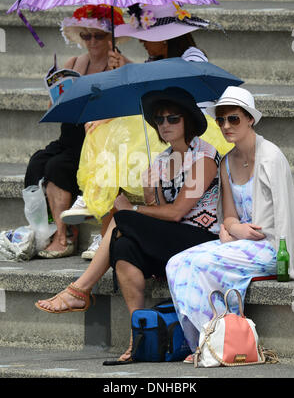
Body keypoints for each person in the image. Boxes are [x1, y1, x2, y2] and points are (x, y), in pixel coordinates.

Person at [35, 86, 222, 363]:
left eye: (173, 118)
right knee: (124, 247)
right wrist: (151, 189)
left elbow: (176, 213)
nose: (165, 125)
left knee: (122, 218)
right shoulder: (161, 161)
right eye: (159, 120)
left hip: (200, 238)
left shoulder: (204, 156)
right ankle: (140, 336)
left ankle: (80, 289)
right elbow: (160, 210)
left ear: (188, 120)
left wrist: (133, 208)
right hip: (171, 240)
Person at [61, 3, 233, 259]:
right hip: (163, 128)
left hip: (195, 129)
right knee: (103, 126)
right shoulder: (154, 58)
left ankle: (112, 222)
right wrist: (125, 70)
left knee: (121, 137)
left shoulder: (192, 56)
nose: (142, 43)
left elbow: (176, 95)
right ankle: (100, 208)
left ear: (164, 39)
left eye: (147, 38)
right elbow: (148, 96)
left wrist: (130, 66)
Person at [166, 86, 294, 358]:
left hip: (272, 247)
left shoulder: (272, 158)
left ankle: (214, 342)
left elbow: (287, 214)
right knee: (175, 262)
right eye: (222, 120)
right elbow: (228, 216)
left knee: (199, 264)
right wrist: (235, 227)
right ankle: (204, 343)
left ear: (250, 119)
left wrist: (289, 264)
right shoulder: (226, 162)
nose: (226, 125)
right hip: (241, 244)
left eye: (234, 118)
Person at [24, 4, 125, 258]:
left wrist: (117, 76)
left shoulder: (121, 65)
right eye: (86, 35)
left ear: (110, 37)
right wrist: (56, 91)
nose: (91, 41)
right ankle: (44, 229)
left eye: (98, 36)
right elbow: (52, 108)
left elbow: (126, 113)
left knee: (57, 167)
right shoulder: (74, 63)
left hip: (96, 141)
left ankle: (65, 235)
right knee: (37, 162)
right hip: (69, 134)